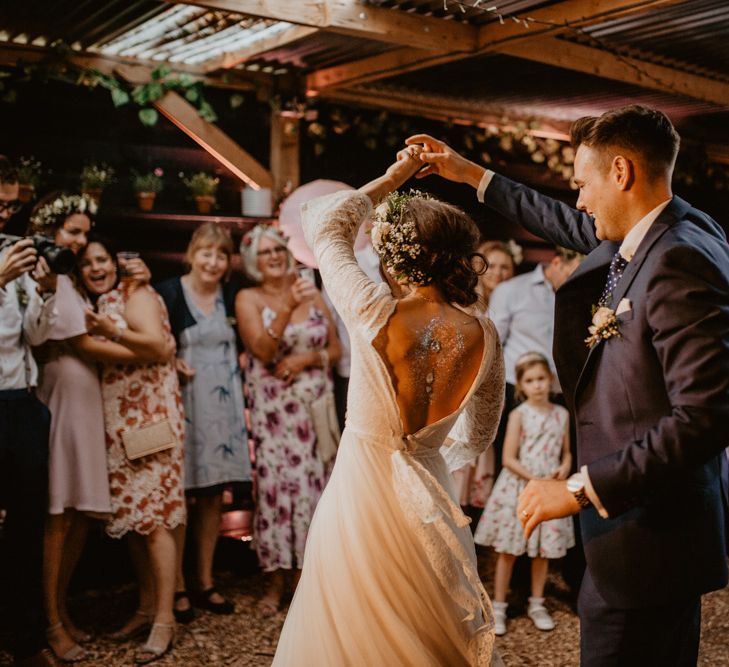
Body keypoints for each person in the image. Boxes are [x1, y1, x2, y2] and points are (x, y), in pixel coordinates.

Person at [408, 104, 729, 665]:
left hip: (647, 534)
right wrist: (471, 175)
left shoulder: (678, 258)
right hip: (650, 535)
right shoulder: (677, 226)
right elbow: (568, 223)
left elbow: (705, 416)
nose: (578, 200)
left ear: (622, 172)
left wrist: (580, 489)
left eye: (583, 184)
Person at [272, 148, 505, 666]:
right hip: (431, 488)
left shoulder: (369, 308)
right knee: (431, 628)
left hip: (358, 495)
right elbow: (481, 429)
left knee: (346, 630)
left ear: (393, 256)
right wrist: (431, 460)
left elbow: (330, 225)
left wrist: (393, 178)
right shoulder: (484, 333)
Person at [78, 238, 185, 664]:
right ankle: (144, 608)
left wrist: (103, 334)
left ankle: (164, 618)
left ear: (115, 263)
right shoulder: (102, 299)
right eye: (86, 263)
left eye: (101, 259)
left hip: (150, 419)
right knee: (138, 521)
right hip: (122, 420)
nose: (95, 268)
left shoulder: (135, 292)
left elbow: (157, 347)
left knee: (156, 520)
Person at [235, 224, 341, 616]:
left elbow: (335, 346)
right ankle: (276, 580)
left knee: (317, 488)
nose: (276, 257)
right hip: (276, 413)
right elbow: (262, 349)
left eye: (279, 249)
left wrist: (306, 359)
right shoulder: (248, 297)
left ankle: (310, 578)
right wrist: (284, 307)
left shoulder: (312, 293)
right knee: (278, 491)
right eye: (266, 253)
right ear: (253, 262)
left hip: (315, 409)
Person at [156, 223, 252, 621]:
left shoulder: (232, 296)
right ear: (192, 253)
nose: (213, 262)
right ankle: (175, 587)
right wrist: (169, 359)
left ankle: (205, 580)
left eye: (220, 255)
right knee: (179, 497)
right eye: (206, 253)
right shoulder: (169, 294)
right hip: (182, 405)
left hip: (223, 411)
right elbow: (154, 341)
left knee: (213, 496)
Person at [0, 156, 59, 667]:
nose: (5, 214)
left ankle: (25, 638)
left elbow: (34, 338)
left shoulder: (11, 254)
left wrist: (42, 296)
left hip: (21, 405)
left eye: (11, 205)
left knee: (25, 526)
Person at [474, 352, 573, 636]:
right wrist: (536, 478)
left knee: (542, 551)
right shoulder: (518, 415)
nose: (538, 385)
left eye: (541, 378)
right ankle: (500, 605)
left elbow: (566, 453)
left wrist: (564, 467)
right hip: (520, 488)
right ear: (521, 385)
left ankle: (537, 603)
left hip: (549, 492)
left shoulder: (562, 414)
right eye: (530, 380)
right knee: (508, 550)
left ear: (550, 380)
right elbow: (508, 458)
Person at [451, 240, 517, 514]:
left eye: (506, 268)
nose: (498, 273)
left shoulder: (510, 303)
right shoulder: (466, 302)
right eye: (493, 266)